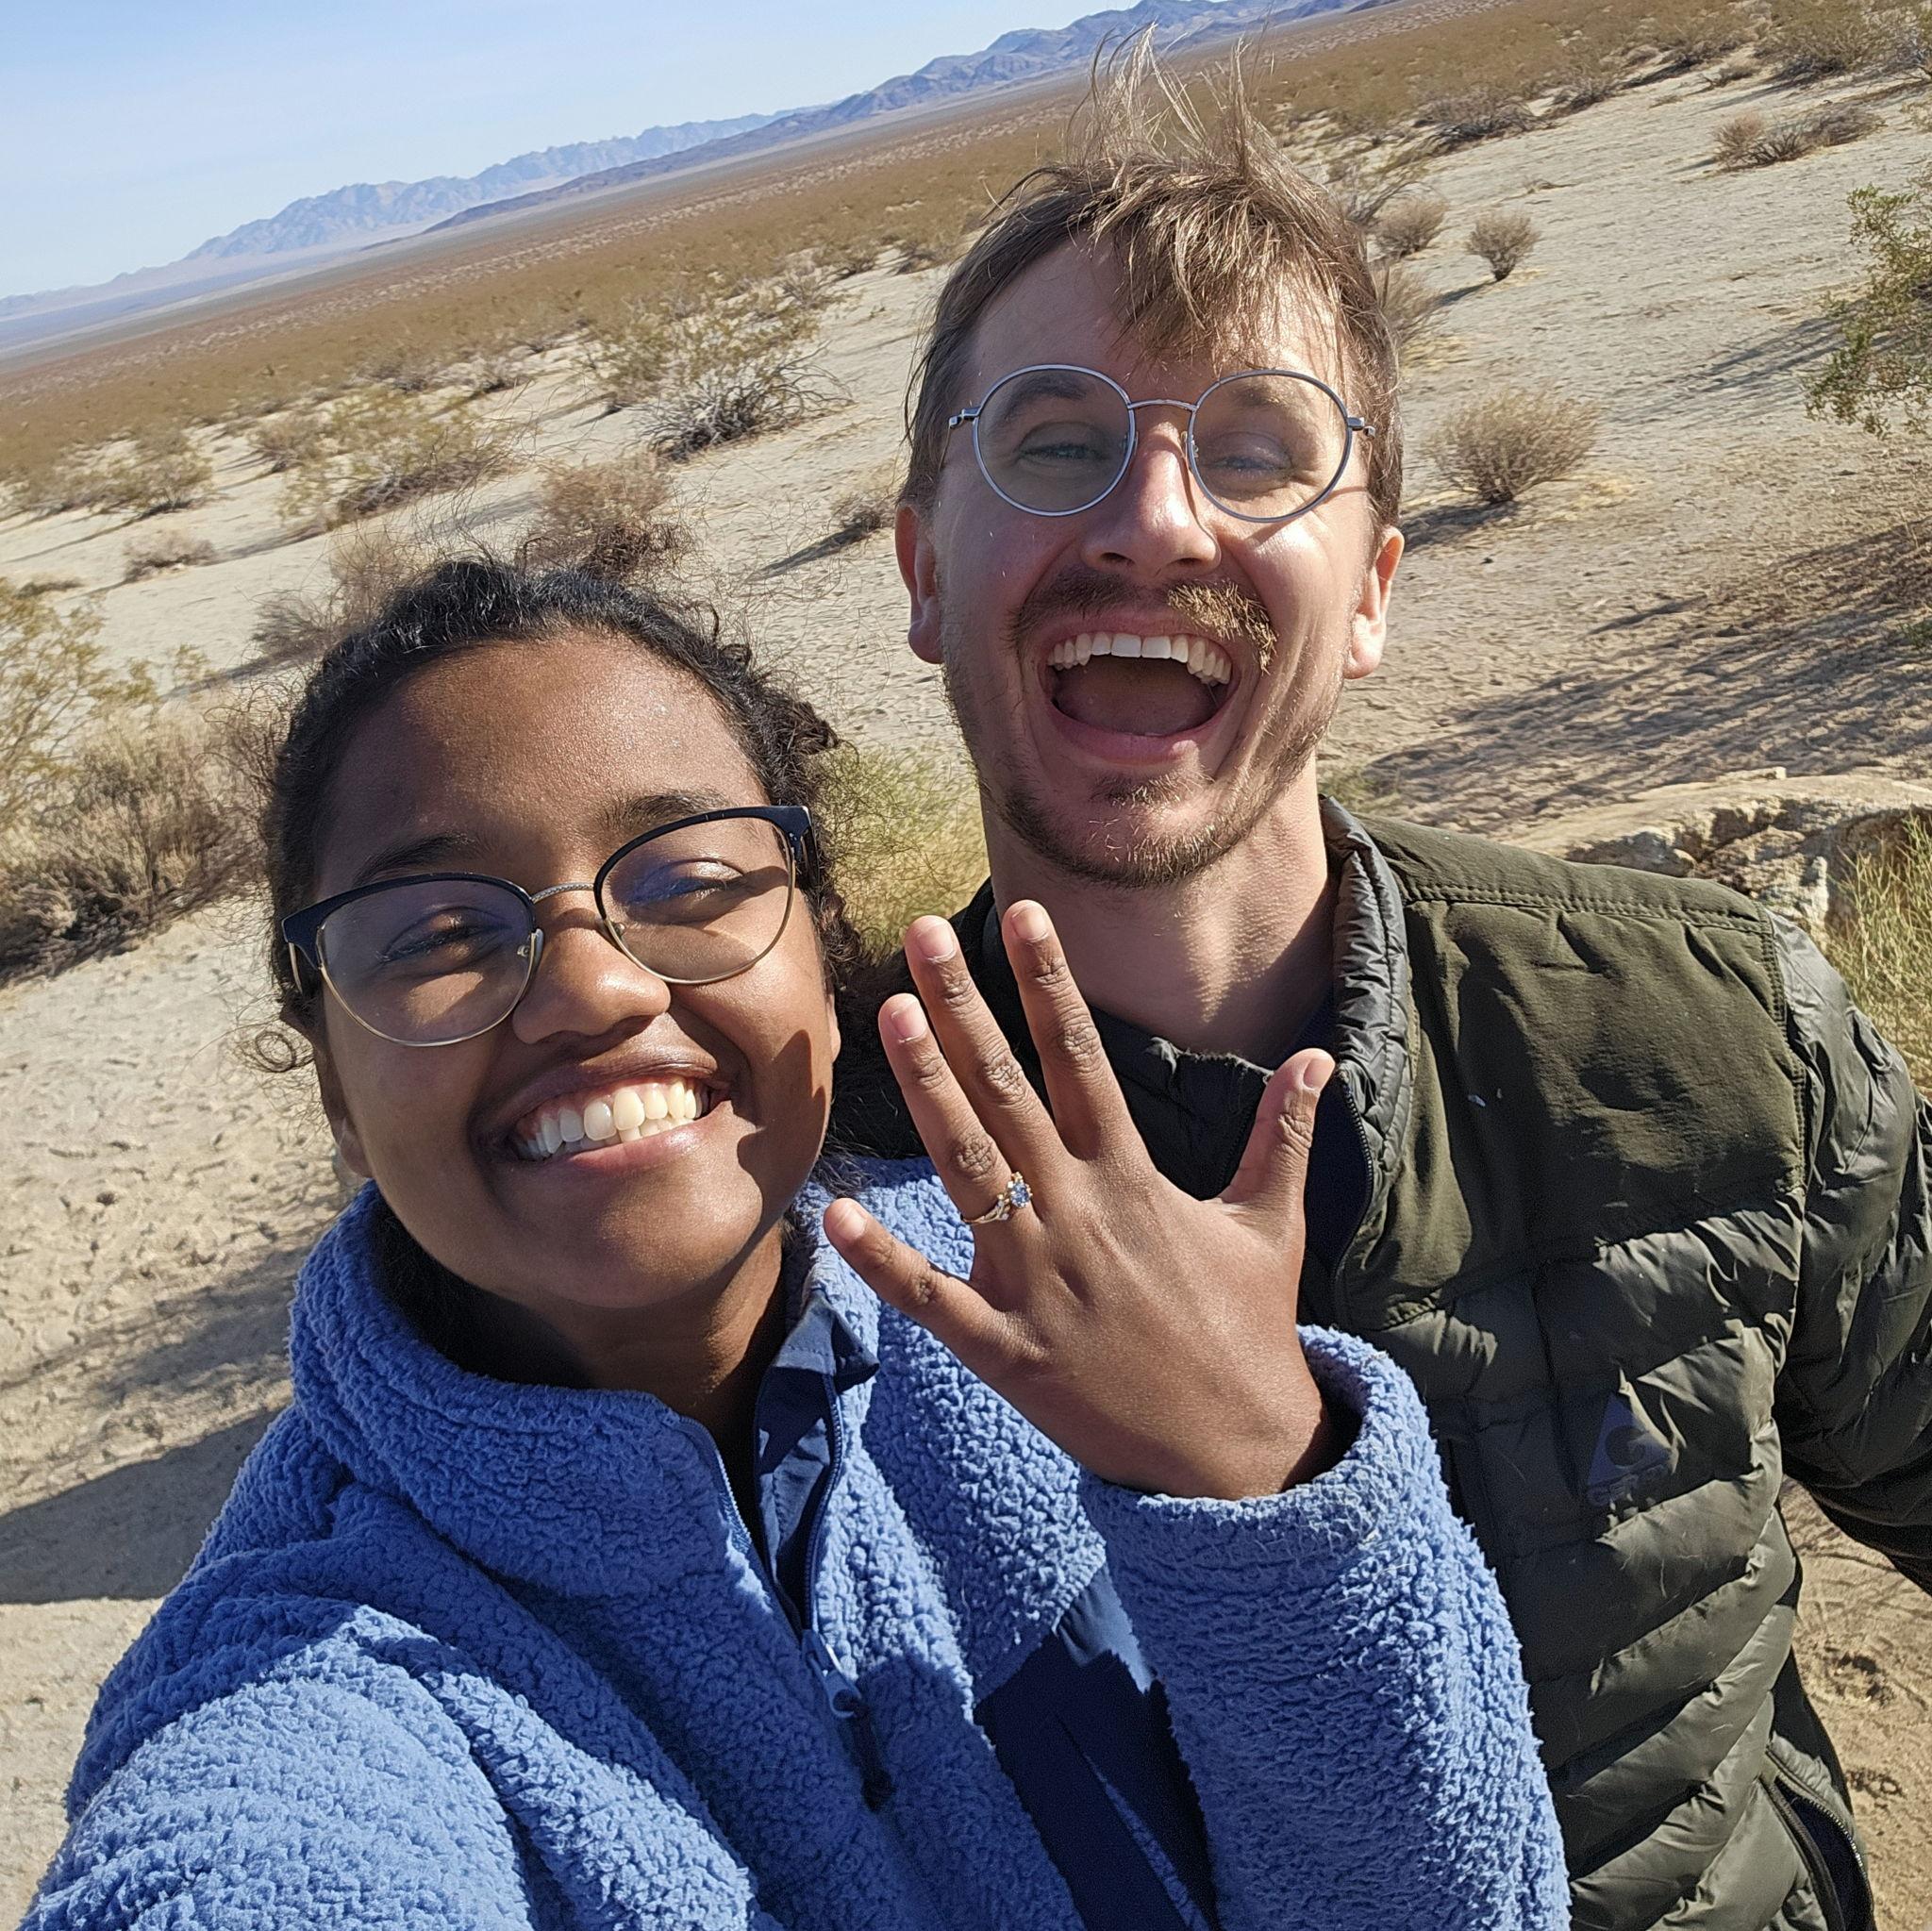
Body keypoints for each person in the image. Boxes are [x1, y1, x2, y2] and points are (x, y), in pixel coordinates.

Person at [24, 560, 1567, 1931]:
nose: (592, 989)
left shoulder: (1065, 1331)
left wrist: (1266, 1479)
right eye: (435, 931)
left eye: (686, 879)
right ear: (332, 1085)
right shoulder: (308, 1672)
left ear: (818, 960)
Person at [831, 52, 1932, 1931]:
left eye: (1257, 447)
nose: (1155, 519)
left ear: (1371, 592)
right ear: (926, 572)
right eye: (1052, 441)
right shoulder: (820, 1219)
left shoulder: (1710, 1031)